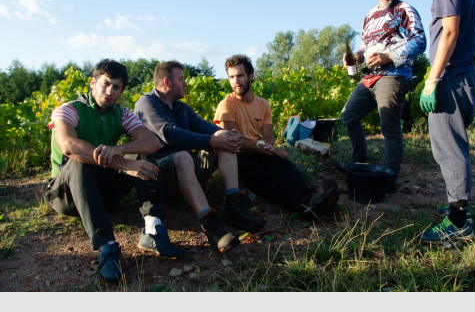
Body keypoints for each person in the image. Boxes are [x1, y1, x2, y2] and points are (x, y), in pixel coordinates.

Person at [46, 59, 183, 283]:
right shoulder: (69, 110)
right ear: (92, 83)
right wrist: (125, 164)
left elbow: (152, 142)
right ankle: (106, 246)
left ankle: (152, 227)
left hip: (100, 191)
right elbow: (69, 146)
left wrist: (120, 149)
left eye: (116, 87)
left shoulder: (121, 114)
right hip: (65, 194)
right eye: (105, 84)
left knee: (142, 152)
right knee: (81, 160)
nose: (110, 91)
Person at [133, 60, 265, 254]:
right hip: (159, 176)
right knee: (183, 156)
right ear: (167, 82)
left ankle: (234, 206)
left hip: (185, 171)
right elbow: (169, 133)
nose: (186, 83)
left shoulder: (180, 108)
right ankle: (211, 226)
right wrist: (212, 140)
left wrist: (227, 135)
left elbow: (206, 127)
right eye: (181, 79)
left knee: (224, 143)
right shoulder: (146, 103)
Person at [214, 54, 340, 219]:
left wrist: (269, 147)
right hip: (237, 155)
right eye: (231, 77)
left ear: (250, 76)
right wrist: (261, 147)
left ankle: (311, 200)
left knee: (285, 167)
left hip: (258, 150)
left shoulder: (263, 104)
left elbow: (268, 135)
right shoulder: (226, 105)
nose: (235, 81)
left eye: (240, 75)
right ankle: (308, 206)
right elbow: (234, 141)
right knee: (261, 177)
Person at [416, 0, 475, 243]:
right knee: (454, 145)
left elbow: (450, 33)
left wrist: (432, 79)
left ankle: (458, 223)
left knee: (448, 149)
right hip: (463, 76)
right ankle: (460, 208)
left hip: (452, 78)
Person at [341, 0, 426, 193]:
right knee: (348, 116)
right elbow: (365, 46)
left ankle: (389, 180)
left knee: (389, 127)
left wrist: (389, 57)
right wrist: (357, 56)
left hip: (394, 75)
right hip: (370, 77)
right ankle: (360, 163)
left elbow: (420, 40)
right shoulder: (369, 16)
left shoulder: (403, 10)